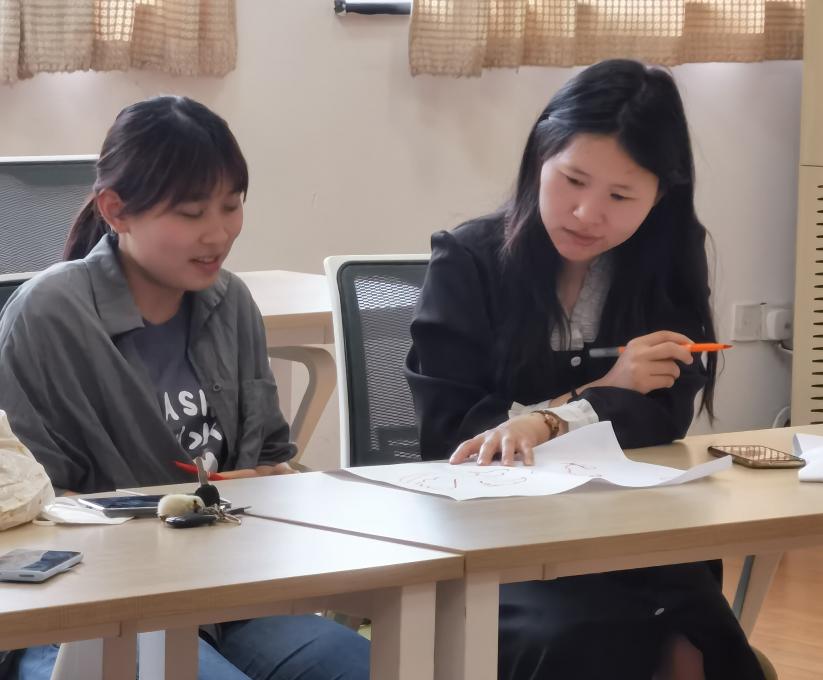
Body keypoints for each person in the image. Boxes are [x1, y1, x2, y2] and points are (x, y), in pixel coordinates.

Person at [406, 60, 763, 679]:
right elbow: (453, 433)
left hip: (626, 530)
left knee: (697, 638)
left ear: (660, 195)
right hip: (497, 538)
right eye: (572, 180)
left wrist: (543, 420)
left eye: (620, 197)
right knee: (581, 639)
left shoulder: (668, 258)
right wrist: (597, 393)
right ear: (539, 157)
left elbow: (662, 415)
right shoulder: (468, 260)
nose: (585, 213)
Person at [0, 96, 369, 680]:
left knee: (375, 666)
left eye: (232, 205)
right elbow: (27, 511)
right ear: (116, 211)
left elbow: (272, 459)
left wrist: (274, 481)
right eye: (192, 213)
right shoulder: (48, 315)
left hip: (227, 595)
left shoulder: (232, 303)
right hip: (90, 609)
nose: (218, 234)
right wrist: (182, 506)